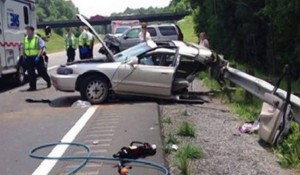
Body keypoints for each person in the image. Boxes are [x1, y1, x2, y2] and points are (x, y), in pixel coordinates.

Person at [23, 26, 51, 91]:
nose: (27, 31)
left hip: (37, 57)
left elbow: (41, 48)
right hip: (29, 58)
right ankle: (32, 87)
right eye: (26, 30)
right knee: (31, 73)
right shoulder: (25, 39)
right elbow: (24, 48)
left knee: (42, 72)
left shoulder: (37, 38)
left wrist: (38, 57)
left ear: (32, 31)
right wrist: (24, 56)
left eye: (28, 30)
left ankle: (48, 80)